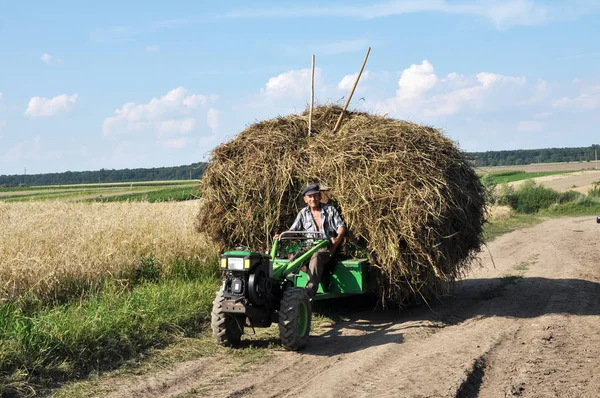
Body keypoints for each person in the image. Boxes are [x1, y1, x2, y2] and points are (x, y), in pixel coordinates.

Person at [288, 183, 347, 297]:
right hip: (308, 246)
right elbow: (294, 230)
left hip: (325, 247)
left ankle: (309, 292)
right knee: (294, 258)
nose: (313, 199)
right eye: (310, 197)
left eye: (315, 196)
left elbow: (341, 226)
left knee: (316, 256)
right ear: (305, 199)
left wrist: (337, 239)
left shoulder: (330, 210)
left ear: (320, 197)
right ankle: (288, 287)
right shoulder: (303, 213)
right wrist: (282, 235)